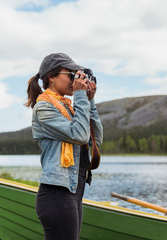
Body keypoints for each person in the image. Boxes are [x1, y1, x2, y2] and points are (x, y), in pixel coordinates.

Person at [25, 53, 103, 240]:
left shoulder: (69, 108)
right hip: (56, 194)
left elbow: (95, 140)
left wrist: (89, 100)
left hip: (73, 192)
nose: (75, 79)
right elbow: (79, 135)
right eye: (71, 74)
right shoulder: (44, 107)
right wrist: (80, 96)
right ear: (51, 77)